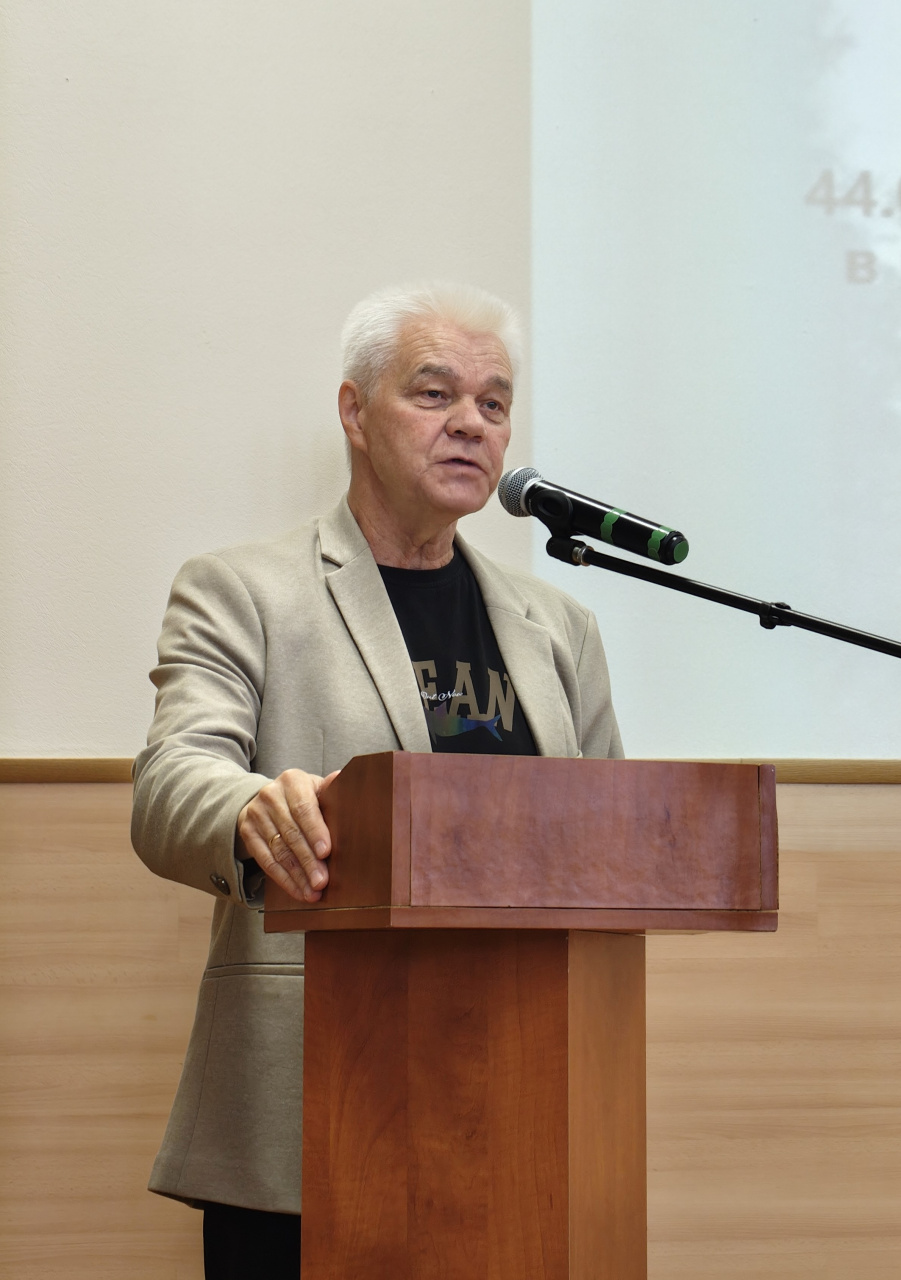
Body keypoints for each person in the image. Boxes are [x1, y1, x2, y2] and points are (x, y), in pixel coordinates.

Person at [131, 281, 623, 1278]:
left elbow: (615, 836)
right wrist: (249, 805)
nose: (470, 423)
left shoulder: (557, 626)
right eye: (434, 393)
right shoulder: (245, 590)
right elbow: (171, 780)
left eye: (493, 402)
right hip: (318, 1099)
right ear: (354, 412)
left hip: (519, 1099)